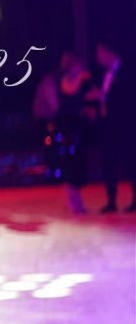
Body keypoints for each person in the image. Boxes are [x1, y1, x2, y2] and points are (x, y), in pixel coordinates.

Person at [91, 43, 136, 212]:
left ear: (109, 52)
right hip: (108, 126)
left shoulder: (128, 71)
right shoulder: (104, 74)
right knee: (108, 162)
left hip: (125, 126)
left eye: (100, 53)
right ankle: (111, 201)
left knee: (130, 162)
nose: (98, 58)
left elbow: (127, 98)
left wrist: (105, 97)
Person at [55, 51, 99, 213]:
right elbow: (69, 93)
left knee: (79, 162)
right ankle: (73, 200)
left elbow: (93, 96)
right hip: (68, 127)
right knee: (69, 162)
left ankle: (77, 199)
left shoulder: (84, 81)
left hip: (79, 128)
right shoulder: (64, 80)